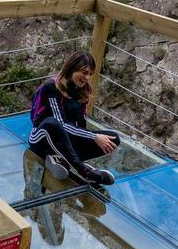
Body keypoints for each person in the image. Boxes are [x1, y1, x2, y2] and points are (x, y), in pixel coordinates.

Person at [26, 51, 121, 186]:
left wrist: (90, 139)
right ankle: (85, 171)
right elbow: (62, 124)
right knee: (53, 124)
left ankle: (63, 159)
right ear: (71, 68)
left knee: (113, 138)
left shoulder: (83, 89)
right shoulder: (51, 87)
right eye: (84, 72)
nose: (87, 77)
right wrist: (94, 137)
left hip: (64, 141)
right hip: (42, 138)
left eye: (90, 74)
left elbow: (81, 123)